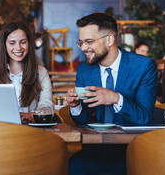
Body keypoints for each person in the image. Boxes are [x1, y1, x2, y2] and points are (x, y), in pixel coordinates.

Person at [66, 12, 159, 175]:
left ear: (109, 39)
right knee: (74, 164)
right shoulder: (84, 69)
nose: (83, 48)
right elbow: (83, 120)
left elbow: (145, 117)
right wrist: (76, 106)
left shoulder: (144, 67)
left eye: (89, 42)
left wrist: (116, 98)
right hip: (97, 147)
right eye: (80, 42)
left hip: (132, 148)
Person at [0, 21, 54, 123]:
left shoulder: (41, 73)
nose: (18, 47)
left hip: (31, 131)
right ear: (5, 45)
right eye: (12, 43)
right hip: (1, 130)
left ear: (29, 43)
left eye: (23, 42)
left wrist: (32, 115)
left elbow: (47, 105)